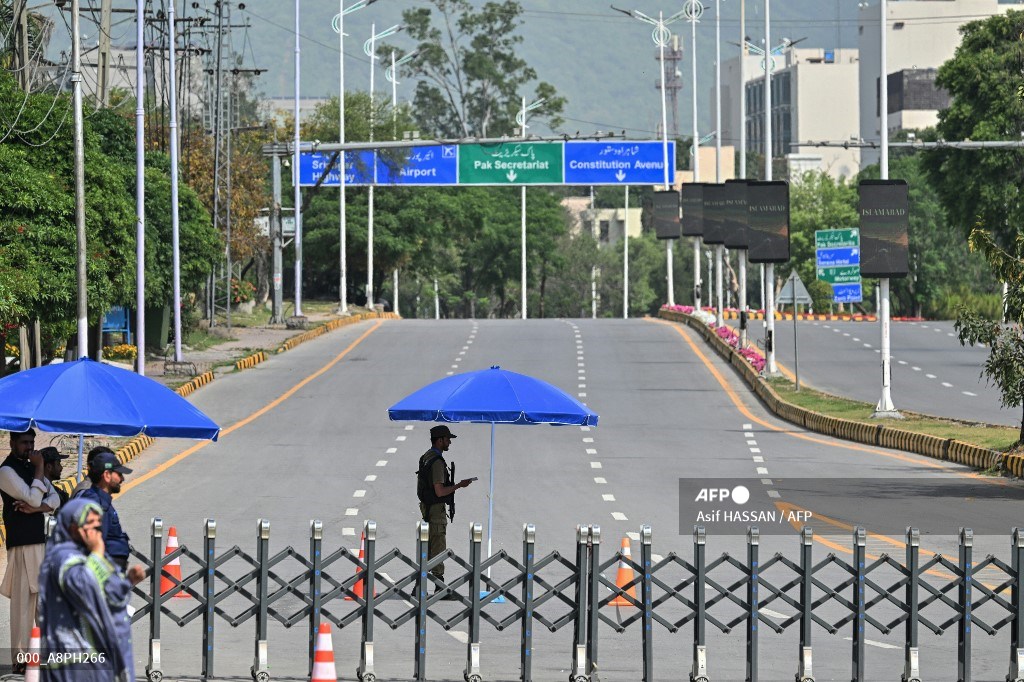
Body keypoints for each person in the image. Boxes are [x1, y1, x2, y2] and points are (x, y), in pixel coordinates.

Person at [37, 498, 145, 682]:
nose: (96, 533)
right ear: (73, 527)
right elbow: (83, 588)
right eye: (90, 526)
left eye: (98, 527)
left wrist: (128, 581)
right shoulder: (61, 558)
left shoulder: (87, 554)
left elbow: (109, 593)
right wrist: (96, 553)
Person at [0, 428, 61, 674]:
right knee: (23, 606)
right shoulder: (6, 471)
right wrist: (38, 470)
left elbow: (54, 500)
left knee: (42, 605)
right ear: (12, 442)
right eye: (25, 442)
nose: (29, 447)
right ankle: (20, 659)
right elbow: (37, 499)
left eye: (32, 442)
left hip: (39, 544)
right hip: (22, 545)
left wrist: (37, 509)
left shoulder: (27, 468)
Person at [416, 425, 473, 599]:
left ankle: (422, 584)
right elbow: (440, 491)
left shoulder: (426, 456)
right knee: (438, 546)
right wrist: (458, 486)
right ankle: (439, 587)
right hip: (435, 510)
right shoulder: (438, 462)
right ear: (439, 440)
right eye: (447, 439)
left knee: (429, 545)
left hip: (427, 508)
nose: (449, 442)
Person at [76, 452, 133, 573]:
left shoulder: (99, 499)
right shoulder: (97, 504)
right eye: (119, 474)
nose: (122, 479)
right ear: (107, 475)